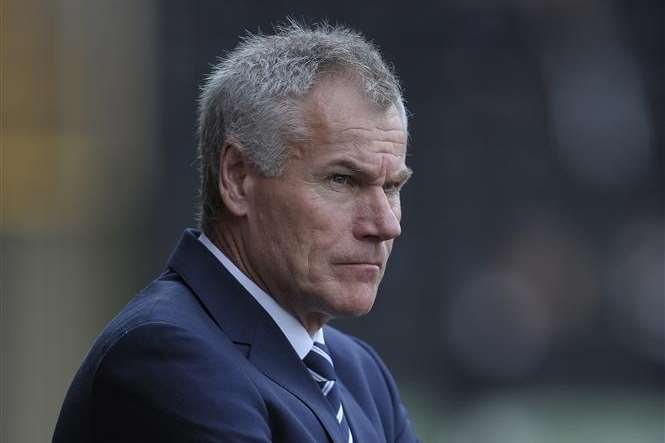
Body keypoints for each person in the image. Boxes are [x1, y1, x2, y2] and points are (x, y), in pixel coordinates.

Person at [53, 21, 419, 443]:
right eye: (342, 180)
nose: (385, 224)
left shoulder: (360, 374)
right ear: (238, 177)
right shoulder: (169, 357)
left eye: (391, 187)